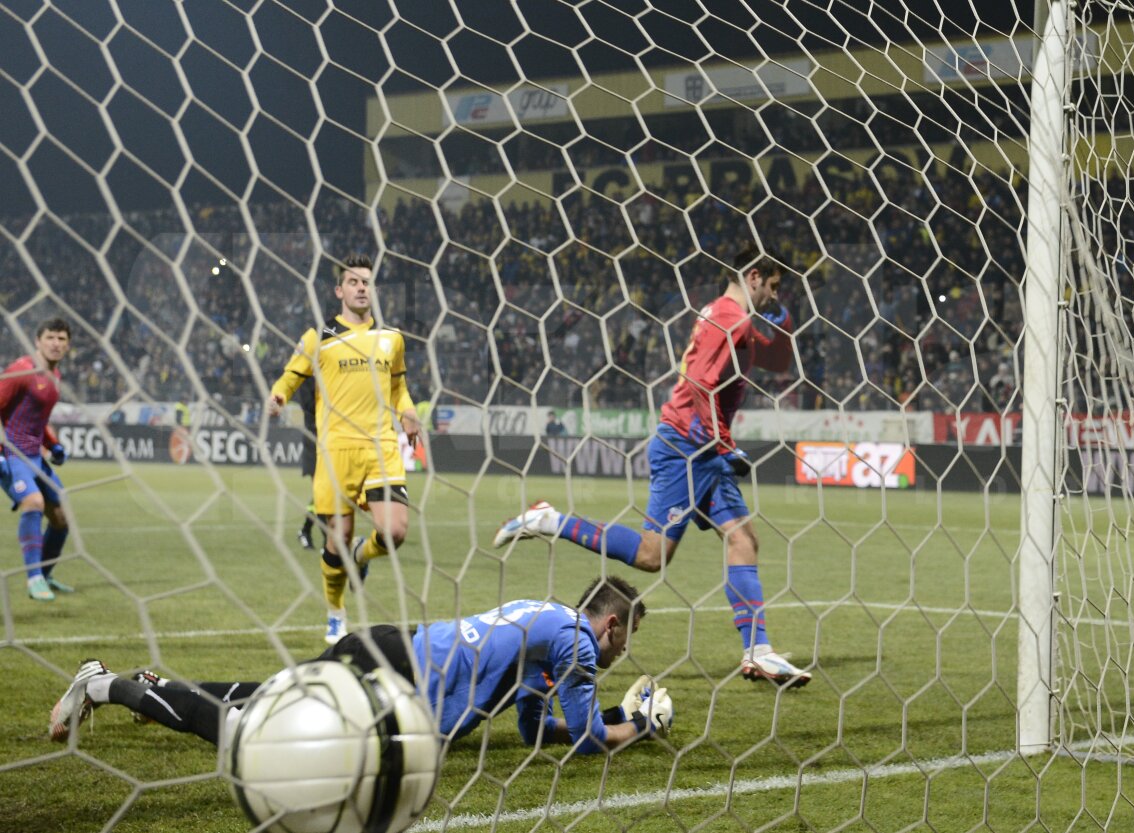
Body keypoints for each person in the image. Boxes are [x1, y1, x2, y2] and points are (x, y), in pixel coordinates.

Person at [495, 246, 811, 686]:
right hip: (687, 446)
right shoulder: (730, 317)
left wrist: (782, 315)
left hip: (702, 450)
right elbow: (700, 382)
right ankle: (550, 521)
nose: (773, 295)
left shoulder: (725, 314)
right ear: (754, 275)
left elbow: (778, 359)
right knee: (651, 555)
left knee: (743, 540)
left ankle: (758, 651)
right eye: (773, 286)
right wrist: (723, 441)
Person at [48, 576, 673, 753]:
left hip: (391, 657)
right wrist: (636, 725)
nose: (624, 653)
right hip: (392, 675)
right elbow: (590, 737)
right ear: (611, 624)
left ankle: (151, 685)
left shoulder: (549, 634)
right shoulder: (577, 642)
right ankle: (103, 685)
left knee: (264, 701)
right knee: (253, 736)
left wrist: (615, 712)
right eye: (628, 638)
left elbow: (536, 730)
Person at [267, 254, 420, 644]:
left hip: (381, 447)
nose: (361, 288)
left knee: (396, 530)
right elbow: (290, 376)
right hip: (335, 452)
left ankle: (362, 557)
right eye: (354, 282)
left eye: (367, 282)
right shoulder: (318, 338)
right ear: (340, 291)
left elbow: (399, 386)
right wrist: (278, 397)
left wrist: (408, 412)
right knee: (336, 540)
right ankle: (336, 612)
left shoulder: (391, 339)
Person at [0, 318, 73, 602]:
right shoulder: (22, 370)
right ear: (37, 341)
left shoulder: (55, 377)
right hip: (11, 454)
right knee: (34, 503)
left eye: (61, 339)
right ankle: (33, 580)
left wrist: (53, 445)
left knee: (61, 519)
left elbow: (36, 421)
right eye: (50, 337)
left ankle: (46, 574)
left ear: (68, 345)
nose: (56, 343)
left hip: (34, 457)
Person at [293, 376, 317, 550]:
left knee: (328, 494)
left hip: (335, 441)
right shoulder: (308, 377)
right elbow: (309, 406)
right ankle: (327, 543)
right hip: (314, 440)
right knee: (322, 492)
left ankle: (305, 530)